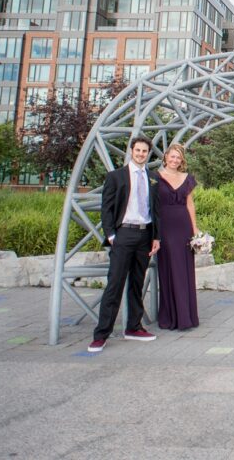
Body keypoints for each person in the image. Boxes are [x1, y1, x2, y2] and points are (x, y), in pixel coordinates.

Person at [88, 136, 161, 353]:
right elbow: (106, 209)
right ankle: (101, 334)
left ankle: (133, 327)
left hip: (145, 235)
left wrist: (156, 237)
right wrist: (111, 235)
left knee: (137, 284)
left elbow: (155, 211)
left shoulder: (153, 178)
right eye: (138, 150)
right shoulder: (116, 177)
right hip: (123, 235)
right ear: (131, 151)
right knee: (115, 285)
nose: (141, 154)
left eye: (144, 151)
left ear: (148, 153)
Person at [156, 143, 199, 330]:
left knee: (184, 270)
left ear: (182, 160)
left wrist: (195, 229)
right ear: (165, 157)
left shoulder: (187, 178)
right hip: (164, 228)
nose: (174, 160)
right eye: (172, 156)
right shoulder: (155, 178)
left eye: (178, 157)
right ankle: (170, 317)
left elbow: (190, 205)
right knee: (167, 269)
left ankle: (186, 316)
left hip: (183, 228)